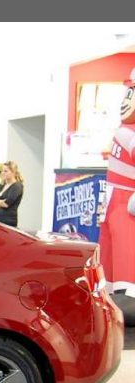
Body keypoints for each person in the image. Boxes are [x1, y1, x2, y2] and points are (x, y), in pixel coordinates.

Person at [100, 68, 135, 298]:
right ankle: (109, 289)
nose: (127, 100)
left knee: (125, 249)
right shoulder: (125, 131)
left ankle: (127, 293)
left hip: (126, 204)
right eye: (128, 93)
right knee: (109, 251)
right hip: (113, 203)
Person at [0, 161, 24, 227]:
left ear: (13, 172)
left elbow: (6, 204)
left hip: (8, 223)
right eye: (2, 171)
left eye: (5, 171)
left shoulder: (17, 186)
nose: (2, 173)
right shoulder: (3, 185)